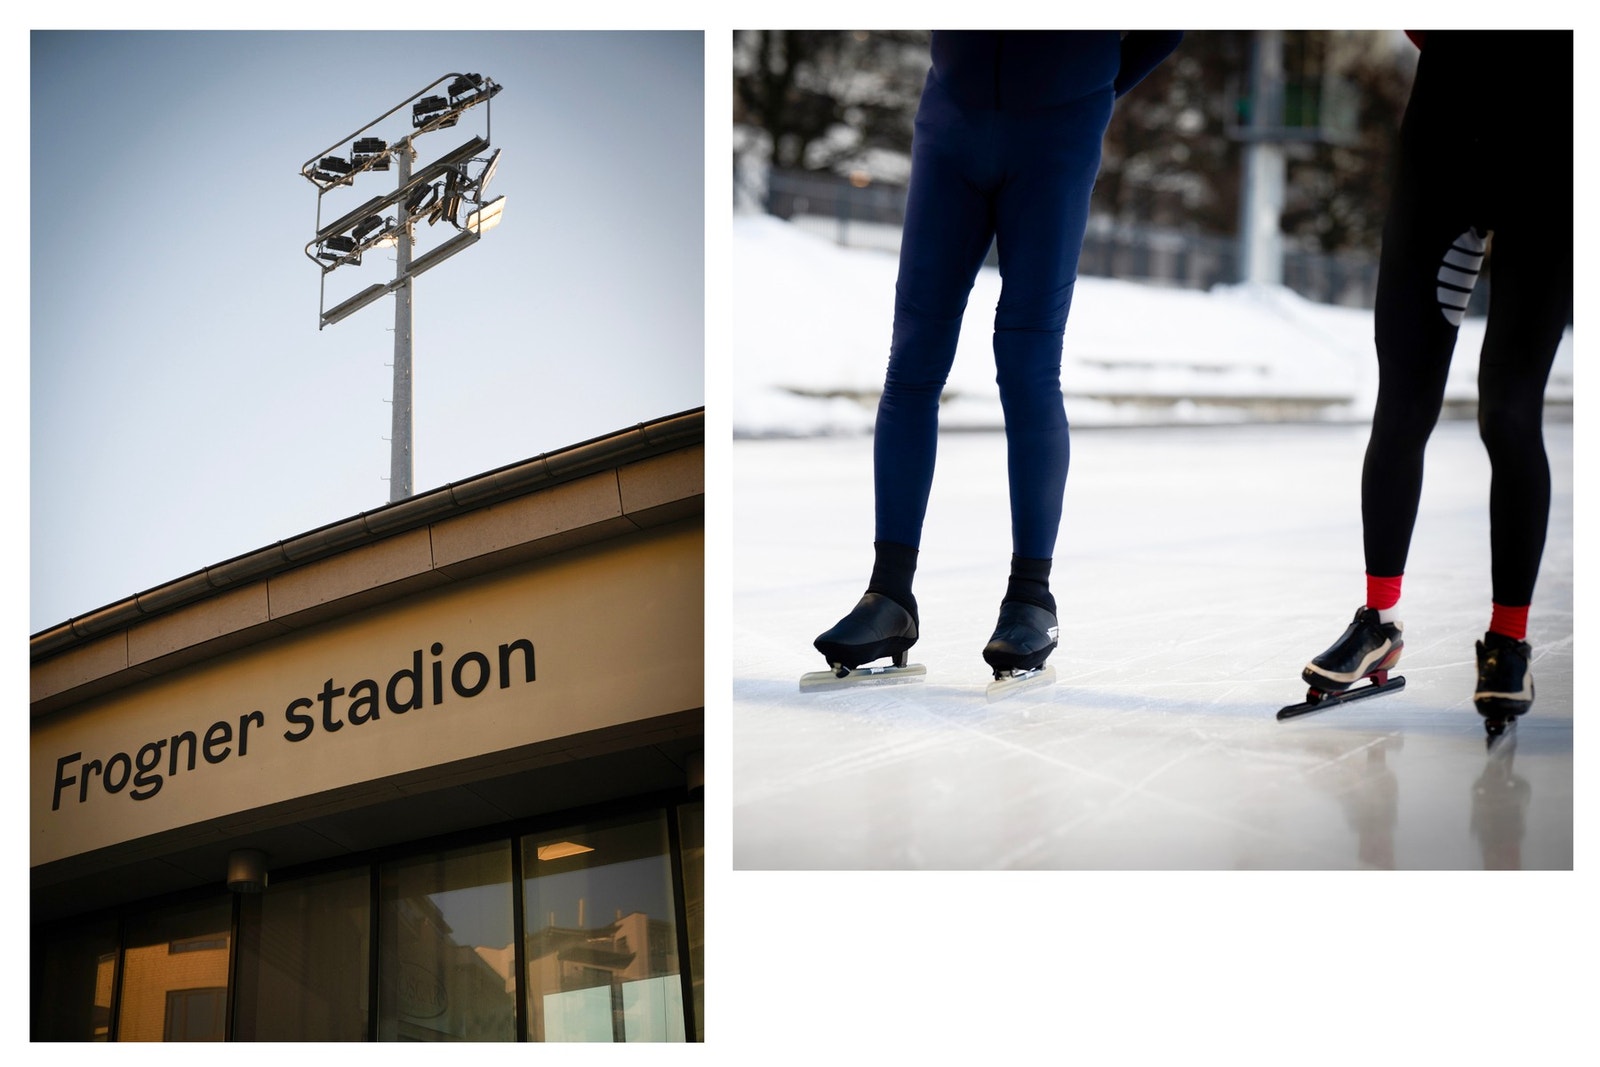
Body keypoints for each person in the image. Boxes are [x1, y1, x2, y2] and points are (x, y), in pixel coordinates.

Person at [811, 31, 1184, 687]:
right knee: (913, 359)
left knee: (1026, 359)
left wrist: (1086, 85)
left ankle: (1030, 597)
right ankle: (889, 595)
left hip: (1057, 133)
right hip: (952, 121)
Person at [1301, 31, 1572, 737]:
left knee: (1509, 413)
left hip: (1555, 133)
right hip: (1445, 126)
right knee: (1402, 403)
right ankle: (1378, 620)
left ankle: (1507, 640)